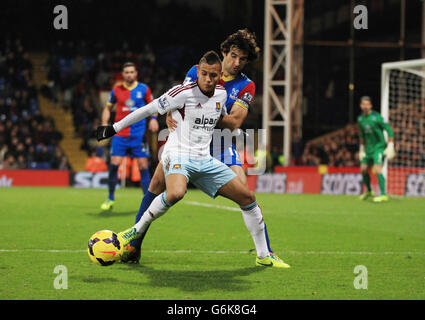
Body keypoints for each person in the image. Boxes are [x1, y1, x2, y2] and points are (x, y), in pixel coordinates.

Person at [97, 51, 290, 268]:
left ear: (220, 76)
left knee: (248, 197)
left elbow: (221, 114)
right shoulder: (182, 92)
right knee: (176, 192)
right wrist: (114, 128)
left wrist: (235, 134)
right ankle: (134, 232)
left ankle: (263, 255)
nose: (208, 79)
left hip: (204, 158)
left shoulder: (221, 94)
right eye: (205, 74)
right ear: (197, 72)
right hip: (177, 153)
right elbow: (148, 109)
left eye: (213, 75)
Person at [100, 62, 159, 210]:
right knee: (114, 164)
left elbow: (154, 107)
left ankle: (147, 202)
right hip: (120, 135)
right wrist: (104, 122)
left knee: (143, 165)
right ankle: (110, 198)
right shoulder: (116, 90)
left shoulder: (144, 89)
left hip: (138, 135)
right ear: (123, 74)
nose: (129, 74)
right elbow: (107, 108)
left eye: (132, 72)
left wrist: (153, 119)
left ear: (136, 73)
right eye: (126, 72)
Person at [357, 96, 395, 202]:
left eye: (367, 104)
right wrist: (361, 149)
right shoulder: (360, 119)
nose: (365, 106)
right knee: (363, 169)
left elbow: (389, 130)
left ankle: (383, 194)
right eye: (363, 104)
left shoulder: (377, 117)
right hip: (368, 149)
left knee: (377, 168)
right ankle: (369, 191)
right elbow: (361, 135)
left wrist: (390, 145)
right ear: (361, 106)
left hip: (379, 147)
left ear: (371, 106)